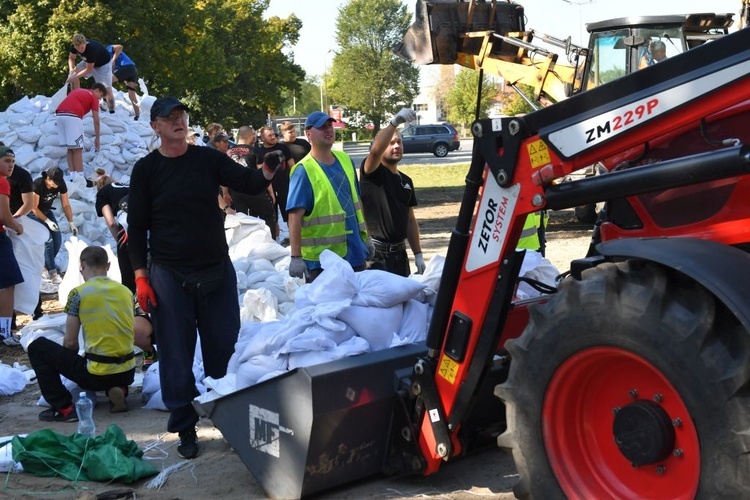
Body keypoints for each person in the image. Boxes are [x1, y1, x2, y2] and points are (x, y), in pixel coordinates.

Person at [126, 96, 285, 459]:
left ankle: (228, 421)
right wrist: (140, 278)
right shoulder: (146, 170)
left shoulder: (207, 159)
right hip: (169, 273)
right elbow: (136, 228)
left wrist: (267, 170)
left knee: (223, 350)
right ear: (156, 126)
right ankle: (184, 429)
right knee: (177, 354)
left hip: (215, 268)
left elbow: (247, 180)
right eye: (170, 118)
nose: (179, 122)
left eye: (182, 116)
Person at [27, 246, 136, 421]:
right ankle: (118, 388)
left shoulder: (78, 294)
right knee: (105, 357)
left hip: (96, 374)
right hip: (128, 371)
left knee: (37, 347)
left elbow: (70, 342)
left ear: (82, 265)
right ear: (108, 266)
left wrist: (66, 362)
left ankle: (63, 408)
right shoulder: (126, 292)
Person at [287, 111, 371, 282]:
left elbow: (357, 202)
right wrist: (295, 257)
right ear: (308, 134)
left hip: (354, 252)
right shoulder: (303, 171)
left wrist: (367, 237)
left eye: (330, 125)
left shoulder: (345, 160)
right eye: (321, 127)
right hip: (322, 263)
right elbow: (294, 216)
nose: (328, 130)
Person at [360, 108, 425, 277]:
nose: (396, 145)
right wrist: (394, 123)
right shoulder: (372, 173)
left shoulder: (406, 181)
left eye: (399, 142)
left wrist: (418, 254)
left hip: (400, 254)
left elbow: (410, 219)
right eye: (391, 142)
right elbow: (375, 152)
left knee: (404, 302)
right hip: (377, 255)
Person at [224, 126, 278, 238]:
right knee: (268, 217)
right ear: (249, 136)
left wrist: (225, 193)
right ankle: (271, 242)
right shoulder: (254, 151)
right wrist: (271, 193)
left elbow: (223, 174)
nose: (254, 136)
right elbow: (265, 174)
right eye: (253, 134)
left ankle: (247, 244)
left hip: (236, 192)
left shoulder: (228, 152)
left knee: (243, 221)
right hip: (255, 191)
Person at [29, 167, 77, 285]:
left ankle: (45, 265)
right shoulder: (38, 184)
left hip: (46, 211)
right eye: (55, 183)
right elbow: (34, 208)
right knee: (47, 239)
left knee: (57, 238)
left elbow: (65, 204)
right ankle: (52, 272)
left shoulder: (60, 184)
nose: (57, 186)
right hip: (33, 213)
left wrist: (71, 222)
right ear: (48, 179)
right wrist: (48, 222)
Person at [0, 146, 24, 340]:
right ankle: (5, 332)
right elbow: (4, 215)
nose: (11, 165)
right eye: (6, 161)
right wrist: (17, 226)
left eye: (13, 162)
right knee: (8, 284)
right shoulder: (2, 182)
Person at [55, 82, 105, 174]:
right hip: (72, 116)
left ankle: (73, 176)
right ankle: (80, 178)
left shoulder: (78, 90)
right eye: (100, 95)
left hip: (60, 115)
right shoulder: (93, 97)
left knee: (70, 148)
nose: (99, 99)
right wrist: (97, 138)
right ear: (96, 90)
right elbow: (96, 120)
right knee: (78, 148)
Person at [67, 34, 116, 113]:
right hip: (88, 61)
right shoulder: (74, 46)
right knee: (74, 73)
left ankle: (112, 110)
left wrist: (74, 77)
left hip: (103, 64)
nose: (80, 50)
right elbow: (71, 58)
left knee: (107, 89)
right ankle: (76, 98)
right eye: (78, 48)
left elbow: (88, 70)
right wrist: (71, 69)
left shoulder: (92, 49)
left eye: (82, 47)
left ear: (85, 43)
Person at [257, 125, 294, 226]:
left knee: (289, 214)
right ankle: (275, 240)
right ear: (263, 138)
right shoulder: (259, 152)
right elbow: (260, 171)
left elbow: (292, 166)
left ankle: (292, 239)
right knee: (272, 217)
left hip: (285, 186)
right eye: (269, 135)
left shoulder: (283, 147)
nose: (273, 137)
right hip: (269, 187)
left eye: (273, 134)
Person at [107, 44, 141, 120]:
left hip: (126, 67)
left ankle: (109, 107)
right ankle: (137, 115)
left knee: (107, 83)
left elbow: (120, 47)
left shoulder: (108, 49)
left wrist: (113, 60)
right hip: (133, 69)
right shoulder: (105, 60)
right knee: (131, 94)